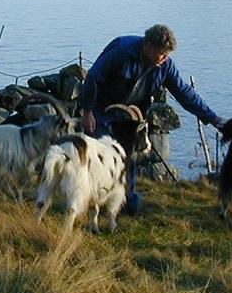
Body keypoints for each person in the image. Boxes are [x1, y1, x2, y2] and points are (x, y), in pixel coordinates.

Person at [78, 24, 223, 213]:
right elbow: (94, 77)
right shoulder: (121, 49)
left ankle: (126, 203)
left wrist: (212, 118)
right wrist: (87, 111)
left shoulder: (165, 65)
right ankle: (92, 203)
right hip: (101, 111)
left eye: (167, 55)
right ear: (148, 46)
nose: (164, 59)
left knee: (127, 159)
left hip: (131, 117)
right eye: (162, 54)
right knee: (100, 157)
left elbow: (184, 93)